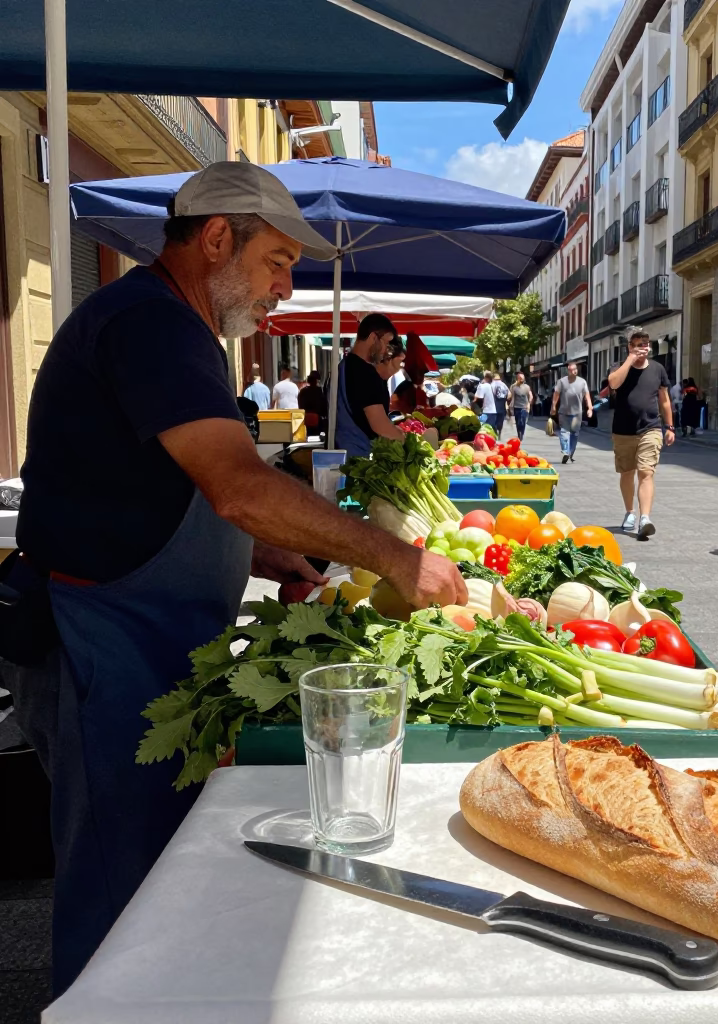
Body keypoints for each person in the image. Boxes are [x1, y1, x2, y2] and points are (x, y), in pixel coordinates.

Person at [3, 161, 466, 997]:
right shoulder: (152, 323)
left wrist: (260, 553)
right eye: (277, 261)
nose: (285, 288)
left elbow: (155, 490)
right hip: (102, 645)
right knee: (118, 900)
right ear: (217, 237)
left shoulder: (174, 325)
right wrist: (397, 558)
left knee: (151, 889)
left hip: (145, 639)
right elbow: (240, 484)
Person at [607, 330, 674, 537]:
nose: (642, 348)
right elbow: (613, 383)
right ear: (630, 347)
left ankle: (645, 517)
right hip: (623, 431)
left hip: (650, 428)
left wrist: (670, 427)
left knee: (646, 472)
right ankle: (630, 513)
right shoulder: (620, 367)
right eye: (637, 345)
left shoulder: (657, 369)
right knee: (627, 473)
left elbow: (664, 399)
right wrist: (630, 360)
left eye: (645, 344)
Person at [335, 313, 407, 457]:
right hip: (358, 458)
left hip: (339, 451)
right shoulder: (365, 373)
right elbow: (379, 424)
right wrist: (404, 440)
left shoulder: (343, 365)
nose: (386, 349)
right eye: (385, 343)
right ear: (374, 338)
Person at [551, 362, 593, 464]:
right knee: (564, 432)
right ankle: (565, 452)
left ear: (577, 370)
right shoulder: (561, 382)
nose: (573, 371)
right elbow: (556, 394)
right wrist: (553, 406)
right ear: (568, 371)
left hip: (577, 413)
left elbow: (587, 396)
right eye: (570, 370)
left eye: (574, 369)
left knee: (574, 434)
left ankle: (570, 452)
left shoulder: (582, 382)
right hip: (563, 412)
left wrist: (590, 408)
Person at [297, 369, 328, 435]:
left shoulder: (303, 391)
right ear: (316, 381)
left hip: (306, 418)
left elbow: (300, 405)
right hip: (318, 420)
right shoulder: (320, 391)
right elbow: (324, 405)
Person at [508, 371, 533, 441]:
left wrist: (529, 403)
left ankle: (522, 432)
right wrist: (510, 407)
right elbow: (511, 396)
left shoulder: (527, 387)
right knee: (518, 421)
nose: (521, 379)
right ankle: (519, 433)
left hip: (524, 407)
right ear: (517, 378)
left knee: (522, 421)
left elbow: (530, 396)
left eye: (522, 378)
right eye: (520, 378)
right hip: (516, 407)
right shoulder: (514, 387)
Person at [491, 371, 510, 438]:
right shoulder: (504, 385)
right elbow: (509, 395)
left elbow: (491, 394)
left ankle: (495, 432)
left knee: (494, 420)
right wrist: (506, 401)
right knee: (501, 420)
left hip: (494, 405)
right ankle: (500, 432)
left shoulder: (492, 384)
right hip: (502, 405)